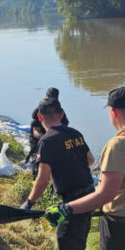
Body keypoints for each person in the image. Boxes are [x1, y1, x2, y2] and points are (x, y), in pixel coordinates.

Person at [46, 87, 125, 250]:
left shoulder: (118, 145)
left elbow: (106, 194)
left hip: (119, 227)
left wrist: (67, 208)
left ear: (113, 112)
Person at [20, 98, 95, 250]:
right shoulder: (75, 133)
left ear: (40, 118)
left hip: (72, 202)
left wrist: (29, 203)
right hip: (90, 197)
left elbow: (43, 179)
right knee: (79, 240)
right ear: (61, 115)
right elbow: (90, 160)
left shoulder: (47, 141)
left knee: (66, 241)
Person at [27, 88, 69, 179]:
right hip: (38, 141)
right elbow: (35, 132)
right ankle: (35, 182)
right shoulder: (38, 111)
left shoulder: (60, 111)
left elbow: (64, 128)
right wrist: (47, 138)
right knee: (37, 163)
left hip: (54, 140)